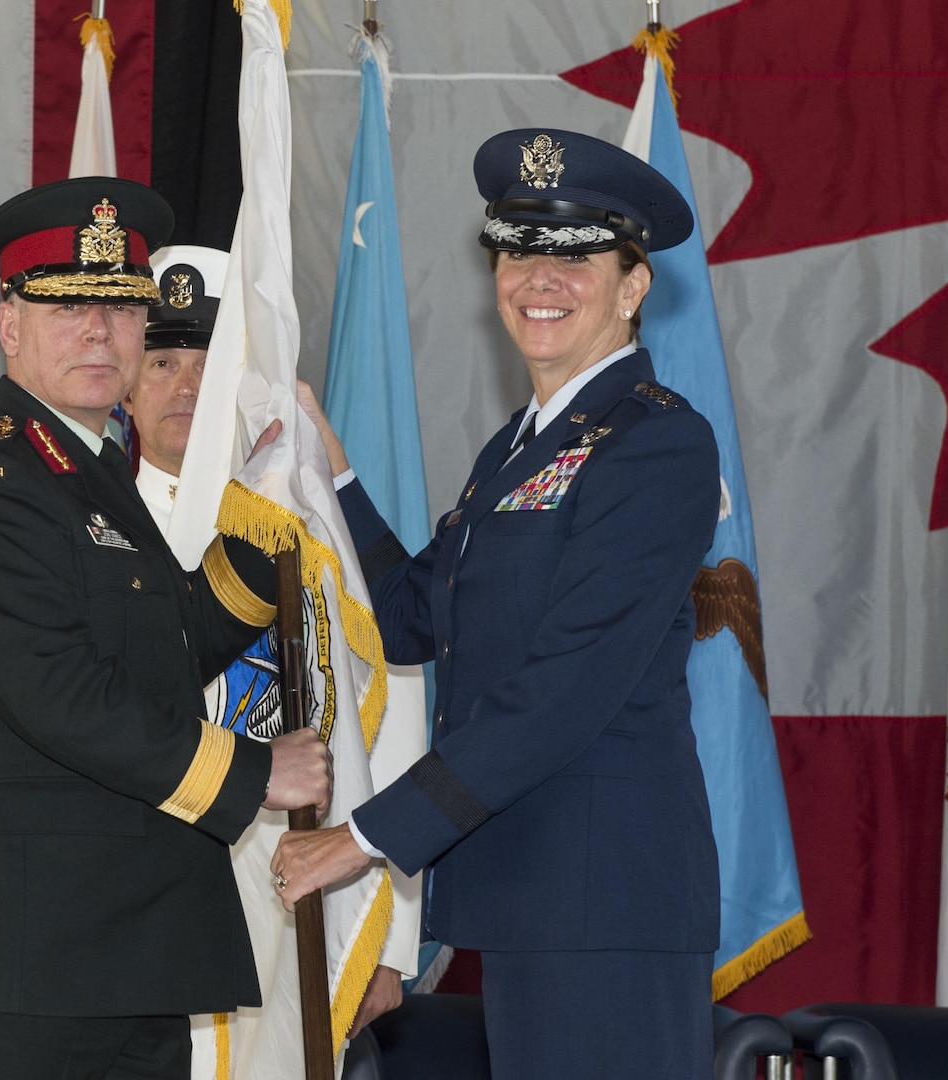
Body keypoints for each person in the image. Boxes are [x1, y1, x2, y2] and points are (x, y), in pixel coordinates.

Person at [272, 129, 723, 1077]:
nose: (538, 279)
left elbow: (568, 686)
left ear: (633, 286)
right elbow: (410, 617)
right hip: (532, 898)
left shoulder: (657, 446)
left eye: (574, 255)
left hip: (608, 907)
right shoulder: (518, 449)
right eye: (519, 250)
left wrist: (363, 838)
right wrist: (332, 476)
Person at [0, 178, 332, 1080]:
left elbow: (162, 651)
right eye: (68, 308)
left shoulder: (92, 476)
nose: (100, 332)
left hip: (129, 961)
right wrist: (255, 772)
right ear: (10, 325)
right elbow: (65, 699)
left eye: (121, 306)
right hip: (25, 975)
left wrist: (267, 513)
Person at [124, 247, 419, 1062]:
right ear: (123, 378)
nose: (185, 387)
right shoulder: (83, 527)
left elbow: (387, 705)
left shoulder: (302, 529)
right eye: (161, 360)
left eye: (209, 366)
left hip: (285, 880)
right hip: (130, 892)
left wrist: (387, 937)